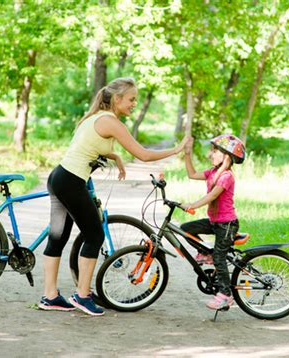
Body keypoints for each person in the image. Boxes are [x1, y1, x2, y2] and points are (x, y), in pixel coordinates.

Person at [38, 77, 190, 316]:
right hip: (71, 181)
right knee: (95, 235)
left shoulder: (96, 117)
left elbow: (89, 145)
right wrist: (176, 149)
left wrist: (116, 157)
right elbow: (143, 154)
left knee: (58, 237)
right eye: (131, 100)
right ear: (117, 99)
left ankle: (50, 297)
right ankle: (82, 296)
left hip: (59, 177)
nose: (134, 104)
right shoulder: (111, 121)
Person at [180, 134, 246, 310]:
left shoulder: (226, 176)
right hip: (215, 222)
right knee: (186, 228)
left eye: (215, 151)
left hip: (227, 224)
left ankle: (226, 295)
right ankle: (205, 253)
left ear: (226, 156)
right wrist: (187, 154)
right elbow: (192, 174)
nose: (211, 154)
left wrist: (192, 205)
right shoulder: (212, 172)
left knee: (219, 257)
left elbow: (213, 195)